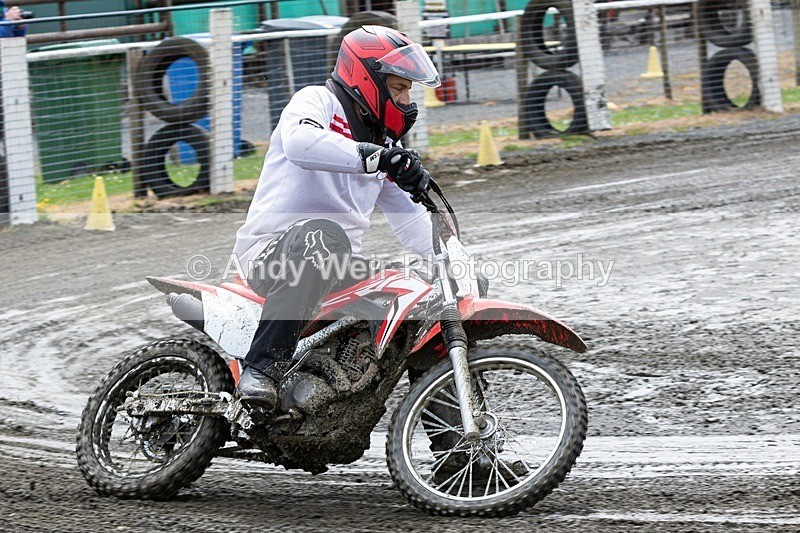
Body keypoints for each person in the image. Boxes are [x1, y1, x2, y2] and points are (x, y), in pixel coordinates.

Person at [231, 25, 441, 408]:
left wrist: (454, 265)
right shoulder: (315, 102)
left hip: (334, 265)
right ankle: (261, 369)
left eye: (410, 90)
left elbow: (412, 222)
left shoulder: (386, 145)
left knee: (420, 291)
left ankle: (459, 450)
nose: (408, 100)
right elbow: (300, 143)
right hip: (270, 257)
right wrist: (376, 158)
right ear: (367, 79)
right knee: (324, 236)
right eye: (399, 88)